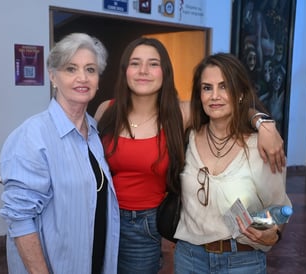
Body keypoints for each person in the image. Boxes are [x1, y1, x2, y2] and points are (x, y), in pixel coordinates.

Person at [94, 37, 286, 274]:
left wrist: (264, 123)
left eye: (153, 63)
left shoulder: (180, 114)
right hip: (103, 217)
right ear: (124, 70)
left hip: (147, 226)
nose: (143, 71)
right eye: (135, 63)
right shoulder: (106, 111)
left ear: (165, 72)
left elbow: (226, 106)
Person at [0, 33, 120, 274]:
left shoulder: (94, 132)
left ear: (98, 79)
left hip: (92, 260)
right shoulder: (32, 136)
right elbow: (20, 219)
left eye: (90, 70)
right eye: (70, 69)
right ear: (53, 77)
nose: (82, 78)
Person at [174, 52, 292, 274]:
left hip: (242, 261)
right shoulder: (187, 136)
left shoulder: (262, 147)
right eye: (207, 88)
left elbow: (279, 208)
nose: (215, 96)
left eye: (224, 86)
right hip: (189, 259)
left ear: (239, 93)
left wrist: (272, 233)